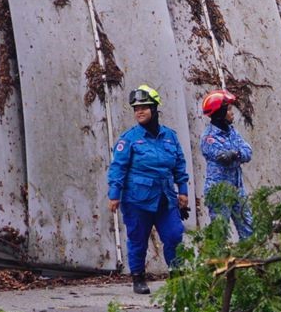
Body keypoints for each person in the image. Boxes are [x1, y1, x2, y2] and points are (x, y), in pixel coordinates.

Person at [107, 85, 190, 294]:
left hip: (165, 198)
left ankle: (177, 277)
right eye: (136, 109)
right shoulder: (130, 138)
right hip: (137, 200)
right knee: (138, 239)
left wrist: (183, 191)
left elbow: (179, 164)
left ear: (154, 108)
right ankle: (138, 277)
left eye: (144, 107)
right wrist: (114, 195)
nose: (139, 112)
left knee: (174, 235)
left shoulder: (170, 136)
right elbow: (118, 167)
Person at [200, 89, 254, 240]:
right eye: (229, 109)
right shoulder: (208, 138)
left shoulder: (232, 132)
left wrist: (236, 154)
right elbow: (224, 158)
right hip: (219, 192)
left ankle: (251, 262)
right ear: (219, 113)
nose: (232, 113)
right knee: (220, 235)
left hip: (237, 189)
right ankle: (220, 264)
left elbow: (247, 151)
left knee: (249, 230)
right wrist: (236, 154)